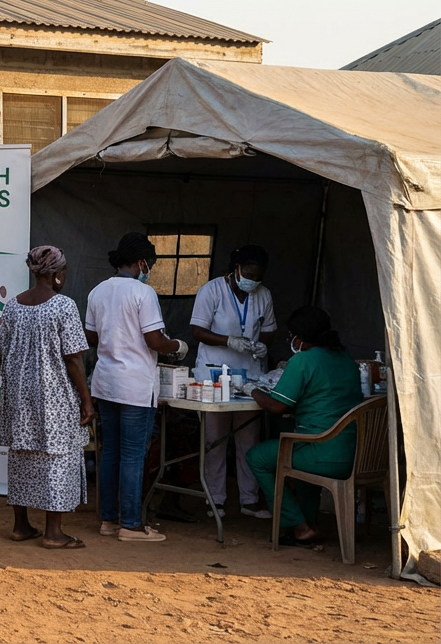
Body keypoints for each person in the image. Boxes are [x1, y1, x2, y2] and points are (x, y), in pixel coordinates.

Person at [85, 232, 188, 543]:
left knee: (110, 452)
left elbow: (91, 338)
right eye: (150, 264)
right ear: (141, 262)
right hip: (134, 386)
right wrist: (178, 346)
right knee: (132, 455)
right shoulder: (144, 294)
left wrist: (115, 340)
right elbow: (154, 340)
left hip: (106, 383)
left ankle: (108, 520)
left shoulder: (98, 291)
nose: (150, 269)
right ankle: (130, 525)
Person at [0, 246, 95, 549]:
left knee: (21, 454)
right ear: (57, 274)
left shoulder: (12, 307)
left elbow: (2, 353)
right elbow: (74, 358)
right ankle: (53, 532)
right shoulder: (64, 306)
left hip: (18, 395)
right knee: (57, 457)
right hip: (54, 395)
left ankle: (20, 526)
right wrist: (86, 399)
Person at [245, 306, 364, 546]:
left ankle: (298, 526)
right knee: (299, 459)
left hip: (321, 453)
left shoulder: (303, 360)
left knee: (257, 456)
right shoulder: (347, 360)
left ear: (299, 337)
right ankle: (310, 522)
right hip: (354, 452)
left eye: (291, 335)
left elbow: (278, 406)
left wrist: (252, 390)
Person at [190, 245, 276, 519]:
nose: (253, 280)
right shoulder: (212, 291)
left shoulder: (263, 295)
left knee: (248, 439)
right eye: (248, 274)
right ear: (236, 269)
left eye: (258, 276)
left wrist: (262, 346)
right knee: (214, 439)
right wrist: (229, 341)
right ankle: (214, 499)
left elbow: (268, 330)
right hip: (214, 372)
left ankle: (249, 499)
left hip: (249, 375)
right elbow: (197, 330)